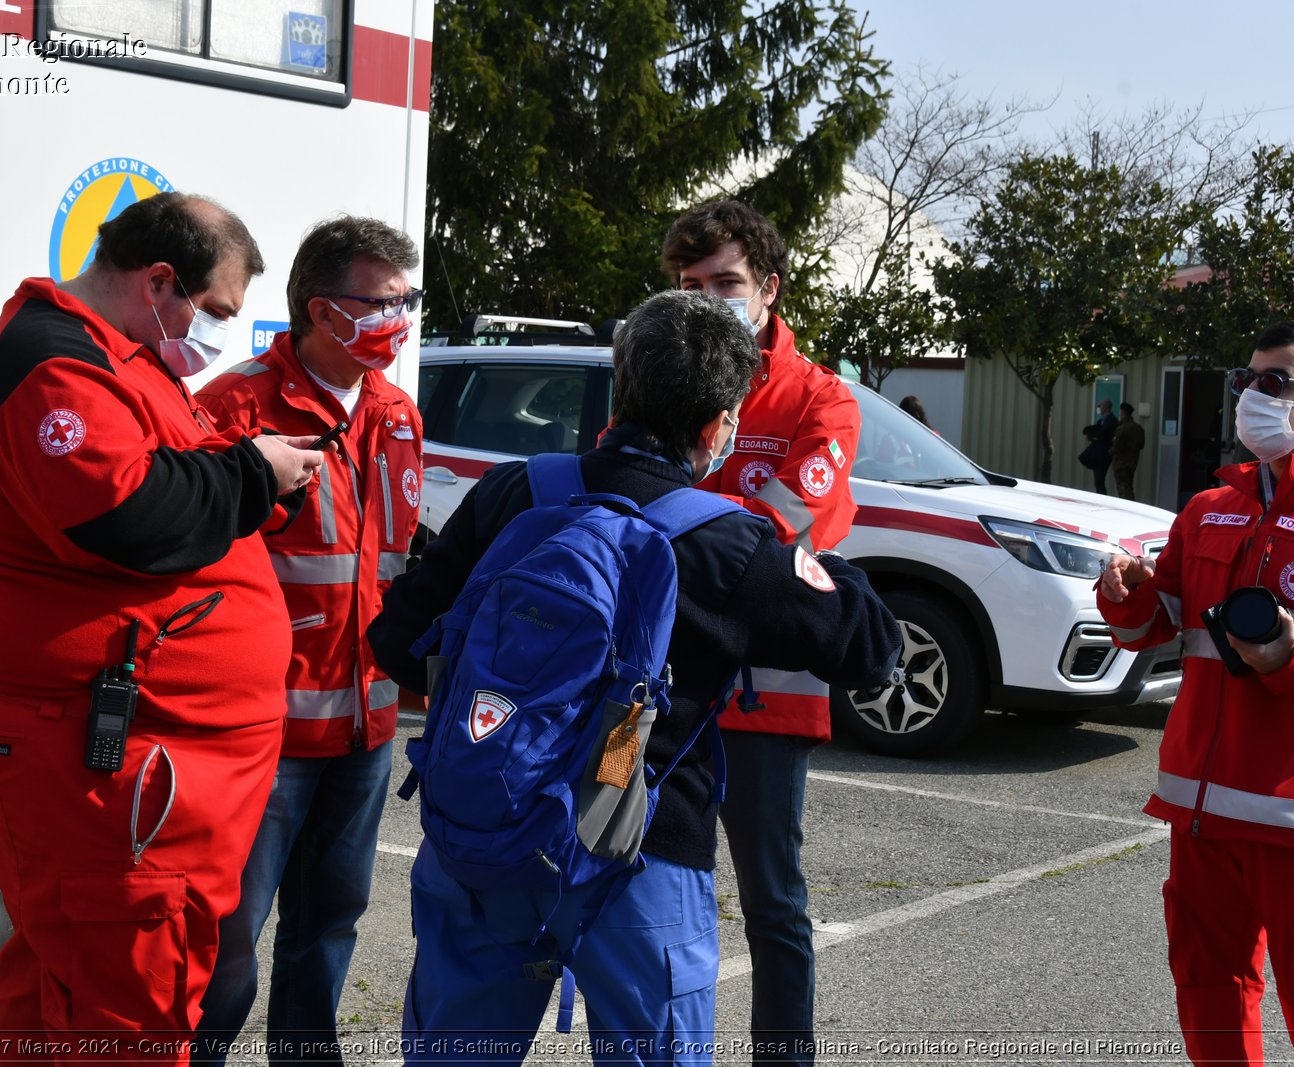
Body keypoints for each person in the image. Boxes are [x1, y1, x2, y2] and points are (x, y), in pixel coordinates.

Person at [367, 290, 900, 1065]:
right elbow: (870, 651)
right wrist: (820, 561)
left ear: (621, 387)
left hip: (484, 835)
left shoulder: (516, 493)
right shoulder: (732, 545)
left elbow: (399, 640)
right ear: (717, 426)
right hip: (639, 853)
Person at [0, 192, 327, 1064]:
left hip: (132, 748)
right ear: (160, 281)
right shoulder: (51, 361)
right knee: (126, 996)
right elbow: (125, 513)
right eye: (217, 311)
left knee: (78, 980)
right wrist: (250, 475)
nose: (219, 334)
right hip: (95, 748)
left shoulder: (126, 358)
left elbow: (167, 487)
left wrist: (243, 484)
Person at [192, 217, 424, 1066]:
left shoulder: (398, 413)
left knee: (329, 929)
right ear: (325, 312)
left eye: (408, 300)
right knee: (227, 945)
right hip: (265, 736)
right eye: (384, 302)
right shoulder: (232, 409)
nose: (399, 318)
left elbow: (391, 569)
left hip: (366, 730)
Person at [661, 199, 862, 1065]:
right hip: (658, 696)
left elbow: (780, 533)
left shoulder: (820, 397)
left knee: (773, 904)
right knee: (656, 890)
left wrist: (685, 513)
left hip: (767, 701)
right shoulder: (663, 376)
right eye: (689, 285)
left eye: (726, 283)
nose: (706, 300)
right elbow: (622, 493)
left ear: (770, 287)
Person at [1097, 318, 1294, 1066]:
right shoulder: (1205, 508)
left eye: (1273, 383)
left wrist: (1290, 662)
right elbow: (1153, 625)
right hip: (1200, 812)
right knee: (1209, 997)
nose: (1249, 397)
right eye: (1244, 380)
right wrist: (1124, 596)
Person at [1078, 399, 1117, 495]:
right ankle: (1100, 495)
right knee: (1097, 480)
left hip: (1104, 454)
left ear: (1106, 407)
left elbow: (1104, 433)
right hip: (1098, 454)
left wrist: (1097, 434)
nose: (1099, 408)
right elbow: (1095, 433)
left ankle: (1102, 497)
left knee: (1100, 479)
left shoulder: (1112, 420)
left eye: (1101, 406)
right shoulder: (1101, 420)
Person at [1111, 401, 1145, 500]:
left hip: (1121, 463)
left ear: (1123, 413)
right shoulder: (1138, 428)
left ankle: (1127, 511)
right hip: (1132, 462)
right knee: (1129, 487)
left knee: (1123, 490)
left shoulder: (1122, 428)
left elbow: (1117, 446)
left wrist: (1109, 452)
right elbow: (1141, 445)